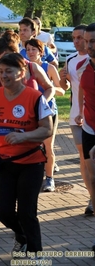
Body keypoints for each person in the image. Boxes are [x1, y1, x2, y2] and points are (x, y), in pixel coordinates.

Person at [0, 53, 53, 259]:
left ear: (21, 73)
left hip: (31, 163)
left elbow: (47, 129)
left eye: (9, 71)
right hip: (4, 162)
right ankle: (21, 236)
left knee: (26, 212)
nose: (3, 76)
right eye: (1, 71)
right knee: (2, 211)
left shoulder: (35, 97)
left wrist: (25, 137)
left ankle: (35, 255)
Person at [59, 25, 92, 214]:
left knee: (91, 157)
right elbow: (63, 87)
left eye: (80, 37)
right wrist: (63, 78)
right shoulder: (70, 60)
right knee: (84, 156)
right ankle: (91, 196)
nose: (76, 41)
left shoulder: (92, 58)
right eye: (74, 38)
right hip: (76, 114)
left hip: (92, 114)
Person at [25, 38, 64, 192]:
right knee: (32, 146)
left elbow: (61, 90)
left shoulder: (49, 68)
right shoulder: (25, 68)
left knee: (48, 146)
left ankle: (49, 179)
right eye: (28, 49)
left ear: (41, 52)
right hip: (31, 113)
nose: (30, 52)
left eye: (33, 49)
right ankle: (33, 176)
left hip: (48, 111)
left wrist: (50, 89)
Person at [0, 30, 56, 104]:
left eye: (9, 56)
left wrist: (39, 105)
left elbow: (50, 88)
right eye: (3, 58)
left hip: (31, 114)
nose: (7, 62)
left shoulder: (32, 67)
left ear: (16, 54)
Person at [75, 22, 95, 222]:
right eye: (87, 41)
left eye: (93, 42)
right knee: (93, 178)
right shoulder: (82, 68)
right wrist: (80, 111)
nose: (88, 46)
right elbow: (82, 89)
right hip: (89, 128)